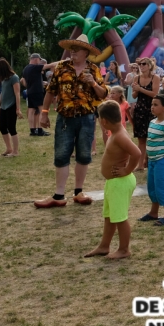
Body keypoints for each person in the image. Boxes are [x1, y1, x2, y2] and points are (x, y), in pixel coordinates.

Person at [34, 35, 107, 208]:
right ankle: (59, 195)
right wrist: (44, 113)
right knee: (61, 154)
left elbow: (103, 94)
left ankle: (78, 192)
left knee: (84, 155)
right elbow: (50, 91)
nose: (72, 52)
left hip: (87, 118)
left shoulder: (93, 69)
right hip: (65, 118)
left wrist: (93, 84)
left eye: (76, 49)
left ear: (86, 52)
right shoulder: (61, 67)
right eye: (71, 49)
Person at [84, 100, 141, 259]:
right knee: (110, 216)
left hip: (120, 183)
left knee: (120, 218)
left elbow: (136, 153)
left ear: (104, 121)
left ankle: (124, 249)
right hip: (113, 183)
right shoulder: (116, 132)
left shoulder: (120, 135)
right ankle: (104, 246)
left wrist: (127, 170)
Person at [136, 95, 164, 226]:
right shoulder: (153, 122)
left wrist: (162, 154)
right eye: (152, 104)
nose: (152, 107)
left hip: (163, 161)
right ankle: (153, 213)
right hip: (152, 161)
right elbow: (149, 142)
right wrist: (147, 158)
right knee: (152, 187)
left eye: (155, 105)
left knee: (162, 187)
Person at [131, 58, 161, 171]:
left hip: (151, 109)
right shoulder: (136, 78)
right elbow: (134, 96)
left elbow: (154, 94)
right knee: (141, 139)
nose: (141, 66)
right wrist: (136, 90)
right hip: (140, 110)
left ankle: (148, 161)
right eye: (140, 64)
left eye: (144, 64)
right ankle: (140, 165)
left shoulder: (155, 77)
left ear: (149, 66)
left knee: (152, 137)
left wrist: (140, 89)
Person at [21, 53, 56, 137]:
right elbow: (50, 65)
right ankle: (40, 130)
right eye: (39, 60)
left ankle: (32, 130)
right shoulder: (35, 67)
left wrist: (37, 83)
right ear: (36, 59)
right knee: (41, 110)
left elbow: (24, 81)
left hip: (30, 91)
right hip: (37, 91)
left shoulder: (26, 68)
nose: (39, 62)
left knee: (31, 110)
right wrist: (63, 61)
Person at [0, 59, 22, 157]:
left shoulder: (14, 77)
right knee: (2, 127)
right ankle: (9, 149)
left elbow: (17, 93)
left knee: (11, 128)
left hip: (11, 106)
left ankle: (15, 151)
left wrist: (18, 109)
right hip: (4, 106)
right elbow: (3, 92)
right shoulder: (4, 79)